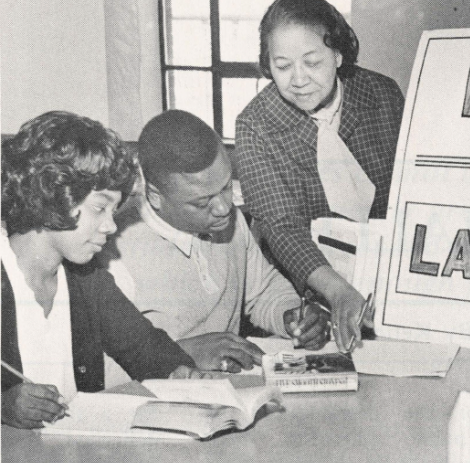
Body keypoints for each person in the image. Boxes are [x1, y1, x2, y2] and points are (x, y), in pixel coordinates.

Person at [0, 111, 202, 429]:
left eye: (113, 210)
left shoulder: (86, 279)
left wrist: (177, 371)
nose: (110, 226)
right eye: (99, 207)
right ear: (51, 191)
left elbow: (141, 345)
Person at [98, 110, 331, 377]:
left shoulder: (226, 219)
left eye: (226, 187)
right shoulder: (111, 251)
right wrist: (181, 354)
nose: (223, 207)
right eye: (202, 202)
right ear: (155, 196)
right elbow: (97, 370)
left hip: (232, 392)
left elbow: (262, 291)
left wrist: (292, 316)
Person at [235, 0, 405, 352]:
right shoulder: (255, 125)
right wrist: (338, 291)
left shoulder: (383, 96)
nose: (298, 80)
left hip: (391, 288)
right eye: (282, 66)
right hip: (309, 302)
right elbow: (282, 227)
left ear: (339, 56)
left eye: (312, 62)